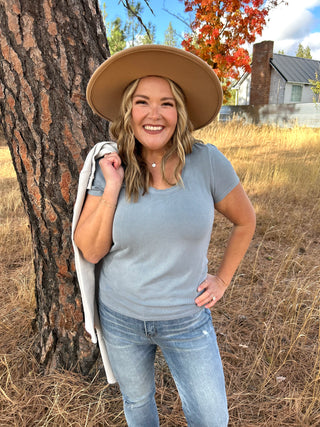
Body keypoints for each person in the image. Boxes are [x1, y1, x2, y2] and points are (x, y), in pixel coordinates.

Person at [73, 45, 256, 427]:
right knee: (138, 405)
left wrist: (221, 280)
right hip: (120, 318)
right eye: (142, 102)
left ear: (180, 113)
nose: (154, 114)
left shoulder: (207, 161)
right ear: (129, 111)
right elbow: (90, 250)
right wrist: (112, 187)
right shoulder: (110, 164)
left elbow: (245, 220)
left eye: (167, 104)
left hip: (187, 319)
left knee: (211, 418)